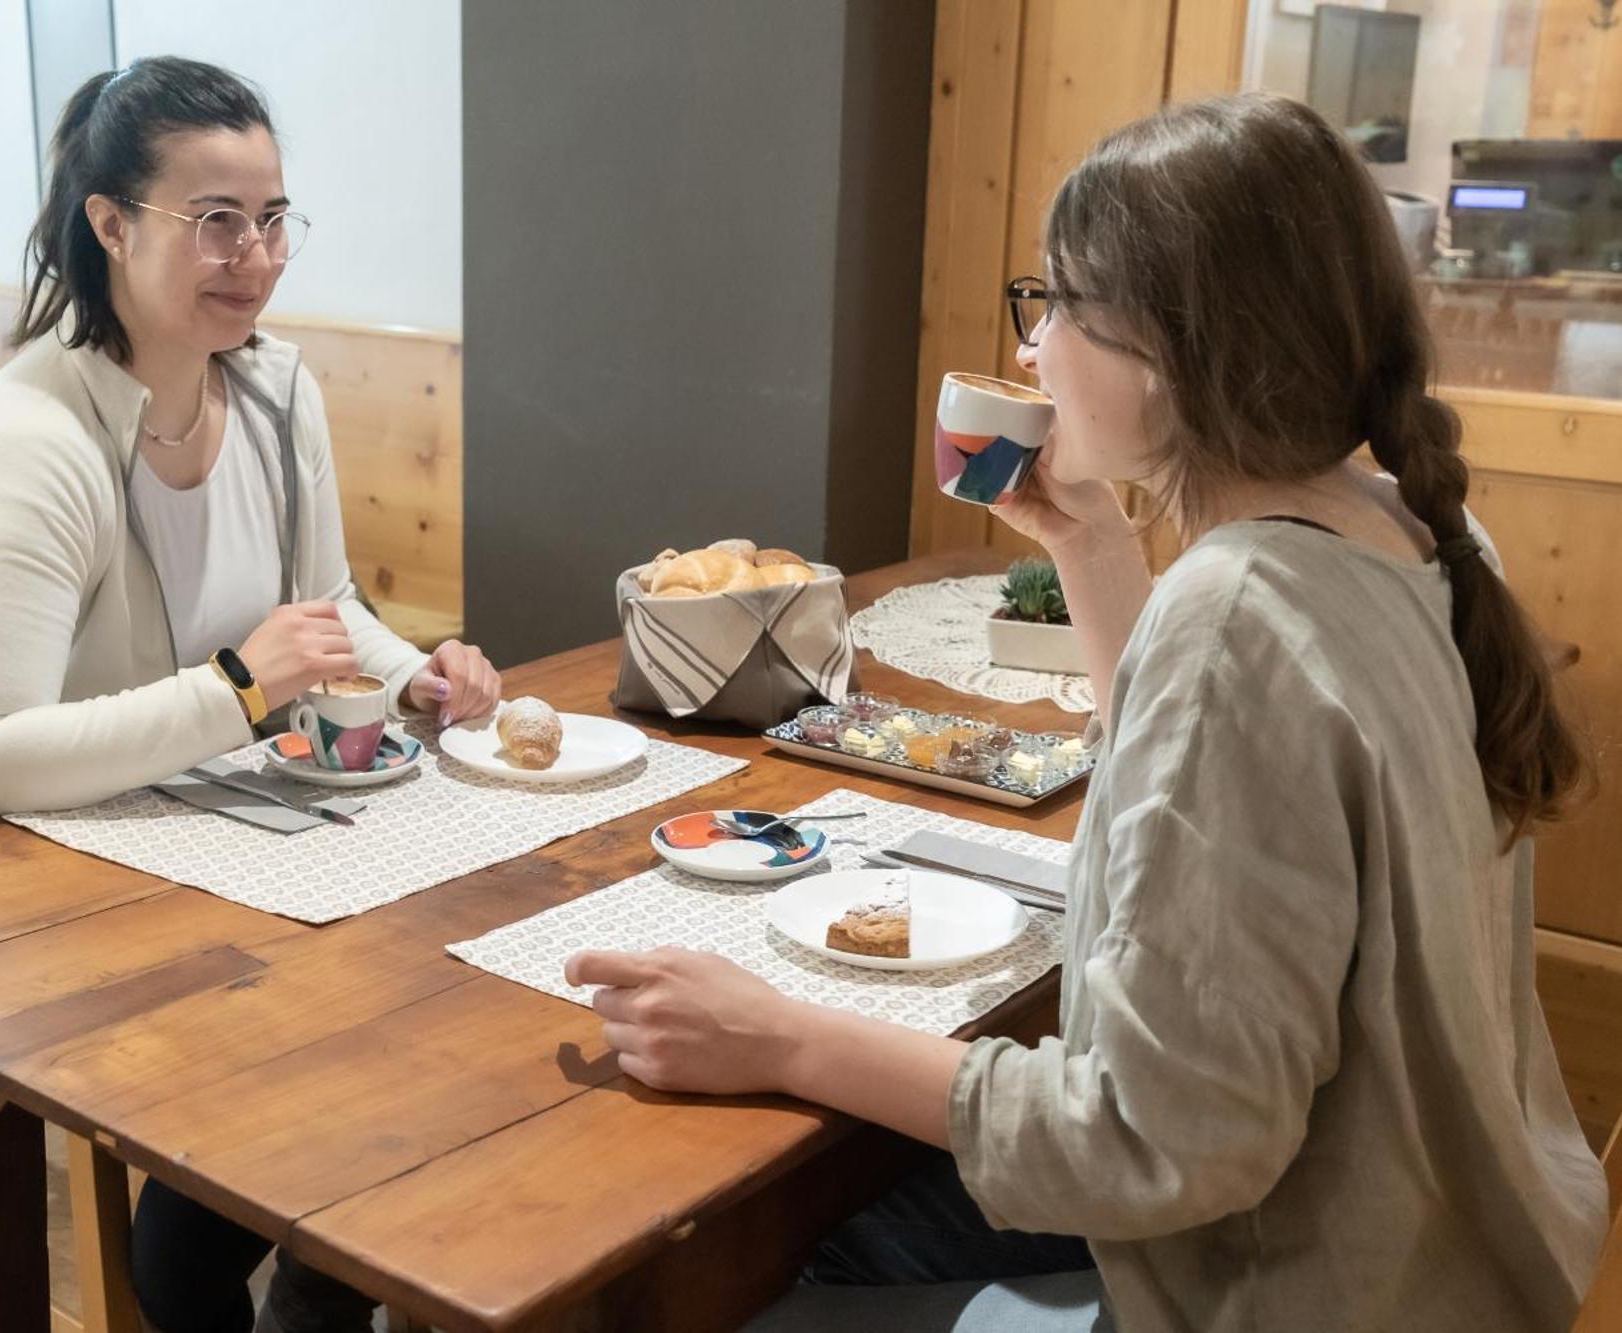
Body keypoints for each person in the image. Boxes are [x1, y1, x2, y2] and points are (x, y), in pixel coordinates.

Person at [565, 93, 1607, 1332]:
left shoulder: (1237, 614)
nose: (1030, 349)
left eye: (1054, 302)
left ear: (1172, 350)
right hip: (1451, 1243)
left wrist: (783, 1038)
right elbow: (1183, 789)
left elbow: (1151, 1143)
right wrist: (1089, 537)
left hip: (1309, 1282)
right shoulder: (1415, 528)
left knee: (738, 1261)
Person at [0, 56, 501, 1333]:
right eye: (214, 220)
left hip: (224, 859)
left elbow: (324, 608)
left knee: (424, 1023)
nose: (254, 254)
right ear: (110, 224)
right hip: (40, 909)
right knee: (353, 1083)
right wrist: (233, 690)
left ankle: (302, 1284)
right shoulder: (32, 433)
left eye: (273, 217)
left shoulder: (278, 391)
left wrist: (420, 676)